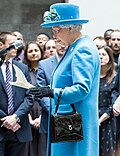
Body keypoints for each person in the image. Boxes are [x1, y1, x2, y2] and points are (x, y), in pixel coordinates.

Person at [26, 3, 100, 156]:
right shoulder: (75, 47)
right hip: (68, 122)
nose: (54, 35)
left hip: (75, 123)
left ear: (71, 29)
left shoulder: (82, 49)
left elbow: (81, 89)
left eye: (56, 29)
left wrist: (51, 92)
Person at [0, 32, 33, 156]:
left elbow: (30, 96)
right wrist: (5, 119)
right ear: (1, 45)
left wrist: (15, 117)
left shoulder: (22, 68)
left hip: (19, 127)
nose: (16, 48)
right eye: (12, 44)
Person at [36, 38, 67, 156]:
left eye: (65, 43)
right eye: (59, 43)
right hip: (50, 116)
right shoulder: (44, 64)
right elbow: (41, 91)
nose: (62, 46)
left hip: (71, 115)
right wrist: (54, 110)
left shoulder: (74, 61)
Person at [23, 41, 44, 156]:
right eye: (30, 51)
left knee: (43, 148)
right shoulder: (23, 71)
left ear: (41, 52)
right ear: (26, 54)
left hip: (44, 111)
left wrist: (41, 117)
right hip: (28, 112)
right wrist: (29, 117)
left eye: (36, 50)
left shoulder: (46, 69)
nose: (33, 53)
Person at [98, 46, 116, 156]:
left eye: (103, 55)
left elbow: (114, 103)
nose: (100, 57)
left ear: (109, 58)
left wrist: (100, 120)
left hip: (107, 119)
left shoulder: (114, 77)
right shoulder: (92, 78)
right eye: (98, 55)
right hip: (92, 118)